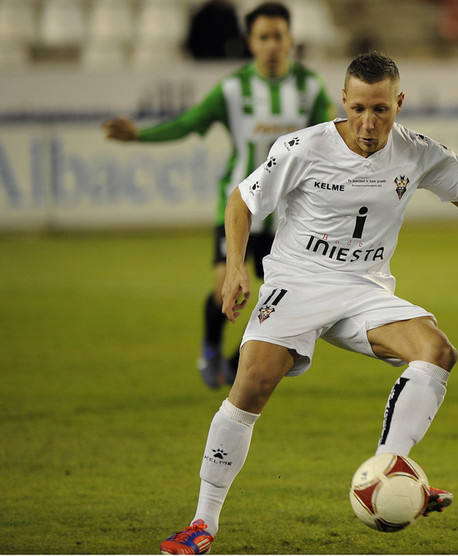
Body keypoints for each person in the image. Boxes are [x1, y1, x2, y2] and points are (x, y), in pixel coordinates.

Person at [158, 51, 458, 554]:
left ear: (399, 103)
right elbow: (242, 200)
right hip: (298, 283)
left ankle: (389, 471)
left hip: (364, 289)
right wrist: (237, 266)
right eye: (360, 109)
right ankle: (202, 524)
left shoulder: (418, 151)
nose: (369, 123)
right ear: (343, 101)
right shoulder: (303, 148)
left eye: (382, 110)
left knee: (437, 352)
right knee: (250, 389)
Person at [103, 2, 334, 389]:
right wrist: (139, 135)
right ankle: (210, 348)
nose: (273, 45)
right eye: (264, 37)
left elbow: (331, 138)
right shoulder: (232, 90)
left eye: (279, 36)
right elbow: (188, 124)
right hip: (239, 208)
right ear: (251, 42)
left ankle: (234, 360)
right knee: (223, 287)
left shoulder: (309, 88)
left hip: (288, 217)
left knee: (289, 300)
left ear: (290, 39)